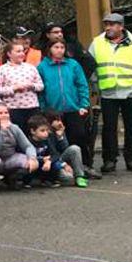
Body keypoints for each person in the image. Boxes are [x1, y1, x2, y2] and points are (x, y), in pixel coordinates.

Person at [91, 12, 132, 173]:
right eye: (106, 24)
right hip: (108, 92)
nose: (108, 27)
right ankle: (109, 160)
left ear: (121, 26)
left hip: (131, 92)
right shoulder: (97, 42)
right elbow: (90, 65)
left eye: (112, 24)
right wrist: (95, 85)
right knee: (109, 128)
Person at [35, 39, 99, 179]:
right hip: (52, 111)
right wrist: (43, 109)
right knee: (54, 140)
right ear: (49, 49)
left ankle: (85, 165)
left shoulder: (73, 65)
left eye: (62, 47)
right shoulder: (42, 67)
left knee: (79, 136)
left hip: (72, 108)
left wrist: (83, 104)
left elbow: (82, 85)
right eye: (56, 47)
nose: (59, 50)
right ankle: (59, 168)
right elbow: (40, 91)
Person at [0, 39, 45, 129]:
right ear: (9, 54)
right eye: (18, 51)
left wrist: (31, 86)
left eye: (23, 51)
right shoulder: (2, 69)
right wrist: (13, 88)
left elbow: (41, 86)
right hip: (13, 108)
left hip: (32, 107)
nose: (22, 54)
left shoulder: (30, 67)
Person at [41, 111, 90, 187]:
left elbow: (65, 148)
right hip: (52, 162)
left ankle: (80, 176)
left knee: (74, 148)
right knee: (68, 177)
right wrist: (63, 164)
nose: (60, 123)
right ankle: (55, 177)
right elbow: (53, 153)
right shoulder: (44, 134)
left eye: (60, 120)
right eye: (57, 120)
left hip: (60, 158)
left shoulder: (59, 130)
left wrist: (60, 137)